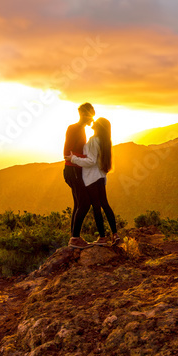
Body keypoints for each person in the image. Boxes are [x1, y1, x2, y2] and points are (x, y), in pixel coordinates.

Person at [67, 117, 119, 247]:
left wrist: (73, 158)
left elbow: (90, 161)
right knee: (105, 205)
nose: (93, 122)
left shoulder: (93, 140)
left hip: (91, 178)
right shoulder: (105, 141)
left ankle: (102, 237)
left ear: (99, 127)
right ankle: (115, 234)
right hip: (101, 176)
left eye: (96, 122)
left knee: (96, 206)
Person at [63, 102, 94, 247]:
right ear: (83, 114)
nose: (92, 119)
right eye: (90, 115)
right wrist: (84, 159)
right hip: (72, 170)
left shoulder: (81, 130)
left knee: (78, 203)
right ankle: (75, 238)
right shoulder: (74, 128)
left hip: (76, 170)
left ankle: (74, 238)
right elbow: (66, 153)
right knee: (85, 203)